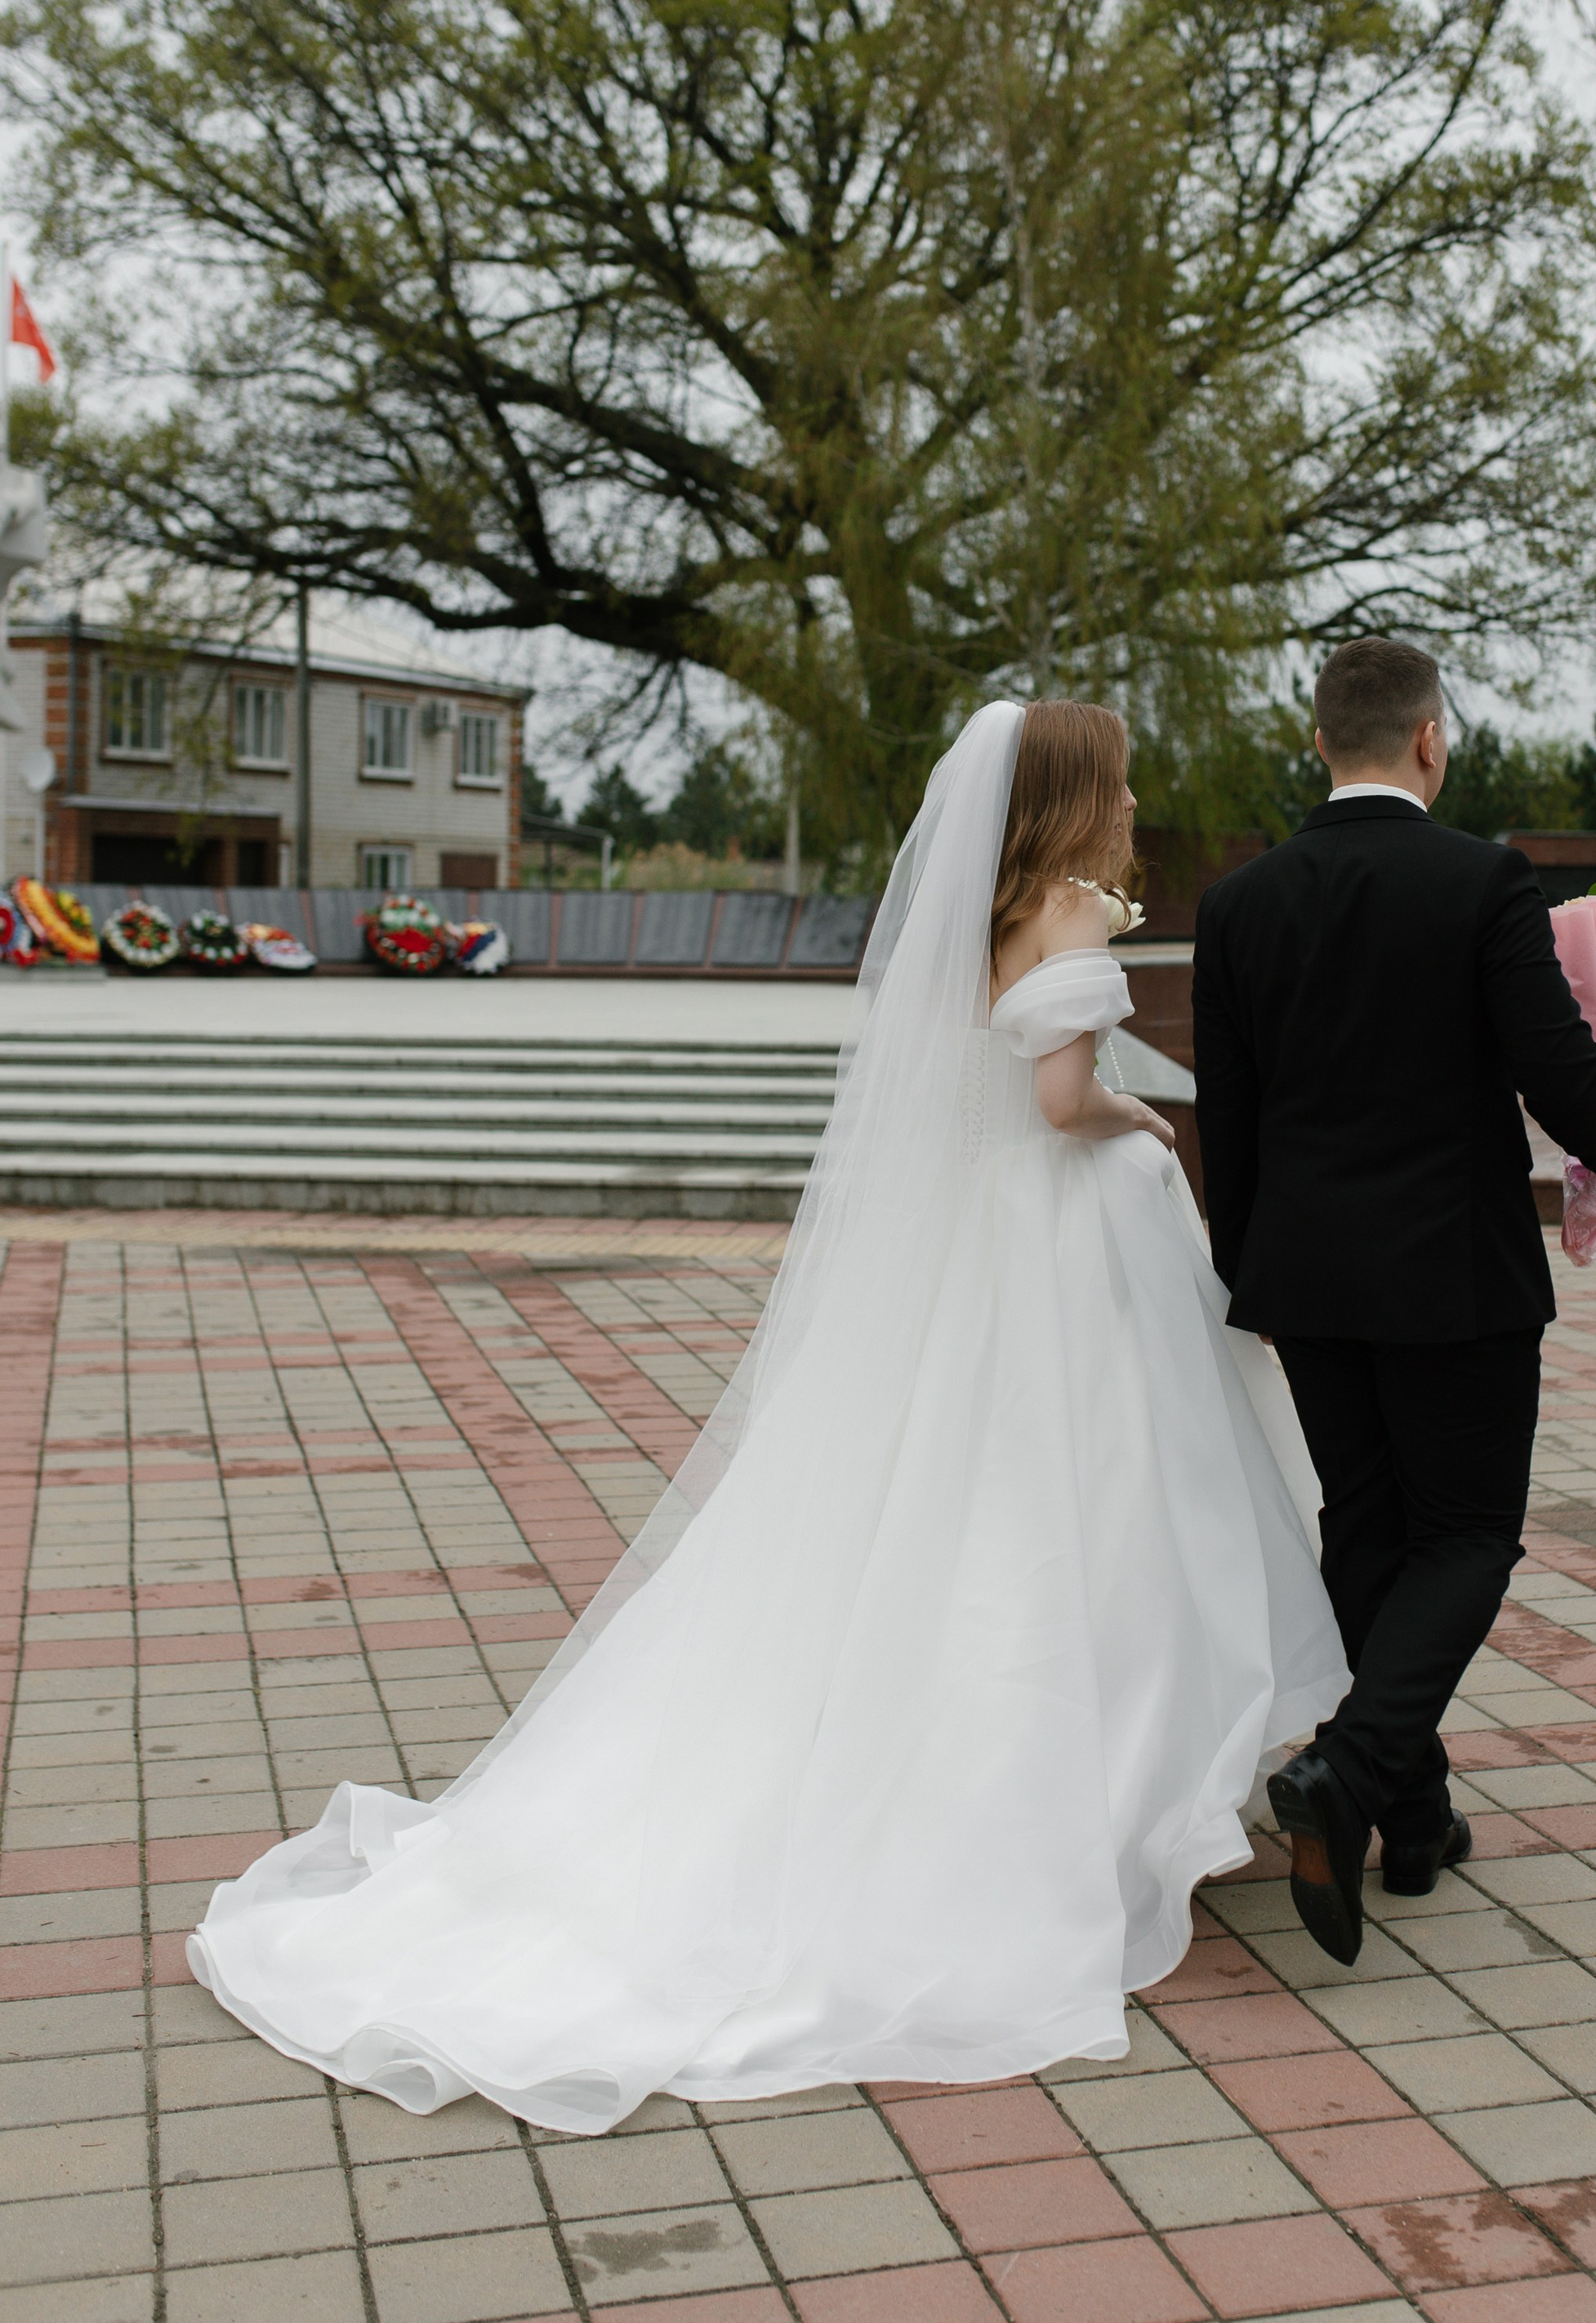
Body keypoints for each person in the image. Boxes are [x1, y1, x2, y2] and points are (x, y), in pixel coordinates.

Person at [186, 700, 1344, 2129]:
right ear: (1075, 793)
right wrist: (1141, 1124)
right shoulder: (1071, 915)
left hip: (975, 1251)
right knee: (1093, 1505)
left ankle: (1063, 1782)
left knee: (978, 1501)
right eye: (1117, 774)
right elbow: (1057, 1104)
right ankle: (1079, 1799)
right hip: (1056, 1242)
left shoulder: (984, 913)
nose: (1133, 790)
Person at [1193, 636, 1596, 1967]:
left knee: (1370, 1531)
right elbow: (1557, 1072)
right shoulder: (1481, 880)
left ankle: (1415, 1814)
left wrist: (1250, 1269)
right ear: (1431, 739)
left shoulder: (1241, 903)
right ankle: (1353, 1766)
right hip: (1455, 1276)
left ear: (1317, 740)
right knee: (1469, 1537)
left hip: (1309, 1272)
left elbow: (1233, 1109)